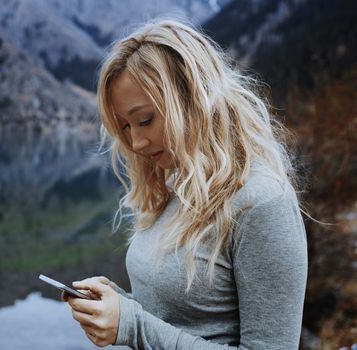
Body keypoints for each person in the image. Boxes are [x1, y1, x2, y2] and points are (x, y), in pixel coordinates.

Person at [62, 19, 308, 349]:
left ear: (194, 98)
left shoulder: (262, 203)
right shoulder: (177, 186)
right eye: (125, 126)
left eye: (145, 120)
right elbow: (182, 319)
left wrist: (132, 325)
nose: (136, 143)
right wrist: (119, 305)